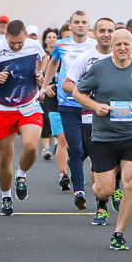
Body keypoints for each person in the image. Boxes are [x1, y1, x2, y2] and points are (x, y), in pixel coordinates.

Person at [73, 28, 132, 250]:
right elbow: (78, 92)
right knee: (103, 189)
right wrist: (95, 106)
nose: (123, 48)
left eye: (127, 44)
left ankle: (118, 233)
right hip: (104, 136)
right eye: (118, 45)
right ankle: (103, 198)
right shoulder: (99, 68)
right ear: (112, 47)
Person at [0, 19, 47, 216]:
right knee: (5, 158)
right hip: (4, 108)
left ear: (25, 36)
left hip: (29, 105)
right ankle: (6, 197)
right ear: (6, 36)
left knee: (31, 147)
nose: (16, 46)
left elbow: (44, 58)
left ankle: (21, 176)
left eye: (19, 43)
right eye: (12, 43)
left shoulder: (34, 45)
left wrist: (40, 72)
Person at [39, 11, 97, 210]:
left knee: (92, 150)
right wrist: (45, 86)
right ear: (70, 26)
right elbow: (53, 62)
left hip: (91, 105)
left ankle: (99, 187)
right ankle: (79, 192)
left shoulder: (95, 46)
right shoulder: (61, 44)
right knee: (75, 148)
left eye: (84, 22)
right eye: (77, 22)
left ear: (89, 26)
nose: (80, 25)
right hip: (68, 104)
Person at [62, 19, 117, 224]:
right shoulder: (87, 57)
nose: (106, 34)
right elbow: (68, 84)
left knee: (120, 161)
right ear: (94, 33)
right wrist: (87, 98)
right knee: (99, 162)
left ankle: (117, 186)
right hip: (92, 117)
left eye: (110, 31)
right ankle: (101, 206)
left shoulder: (123, 57)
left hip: (122, 118)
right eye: (102, 30)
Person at [38, 28, 68, 181]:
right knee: (61, 138)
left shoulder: (84, 57)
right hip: (54, 101)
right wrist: (46, 86)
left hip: (76, 102)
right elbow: (43, 76)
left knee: (78, 143)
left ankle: (77, 167)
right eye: (66, 38)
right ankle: (63, 174)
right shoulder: (53, 57)